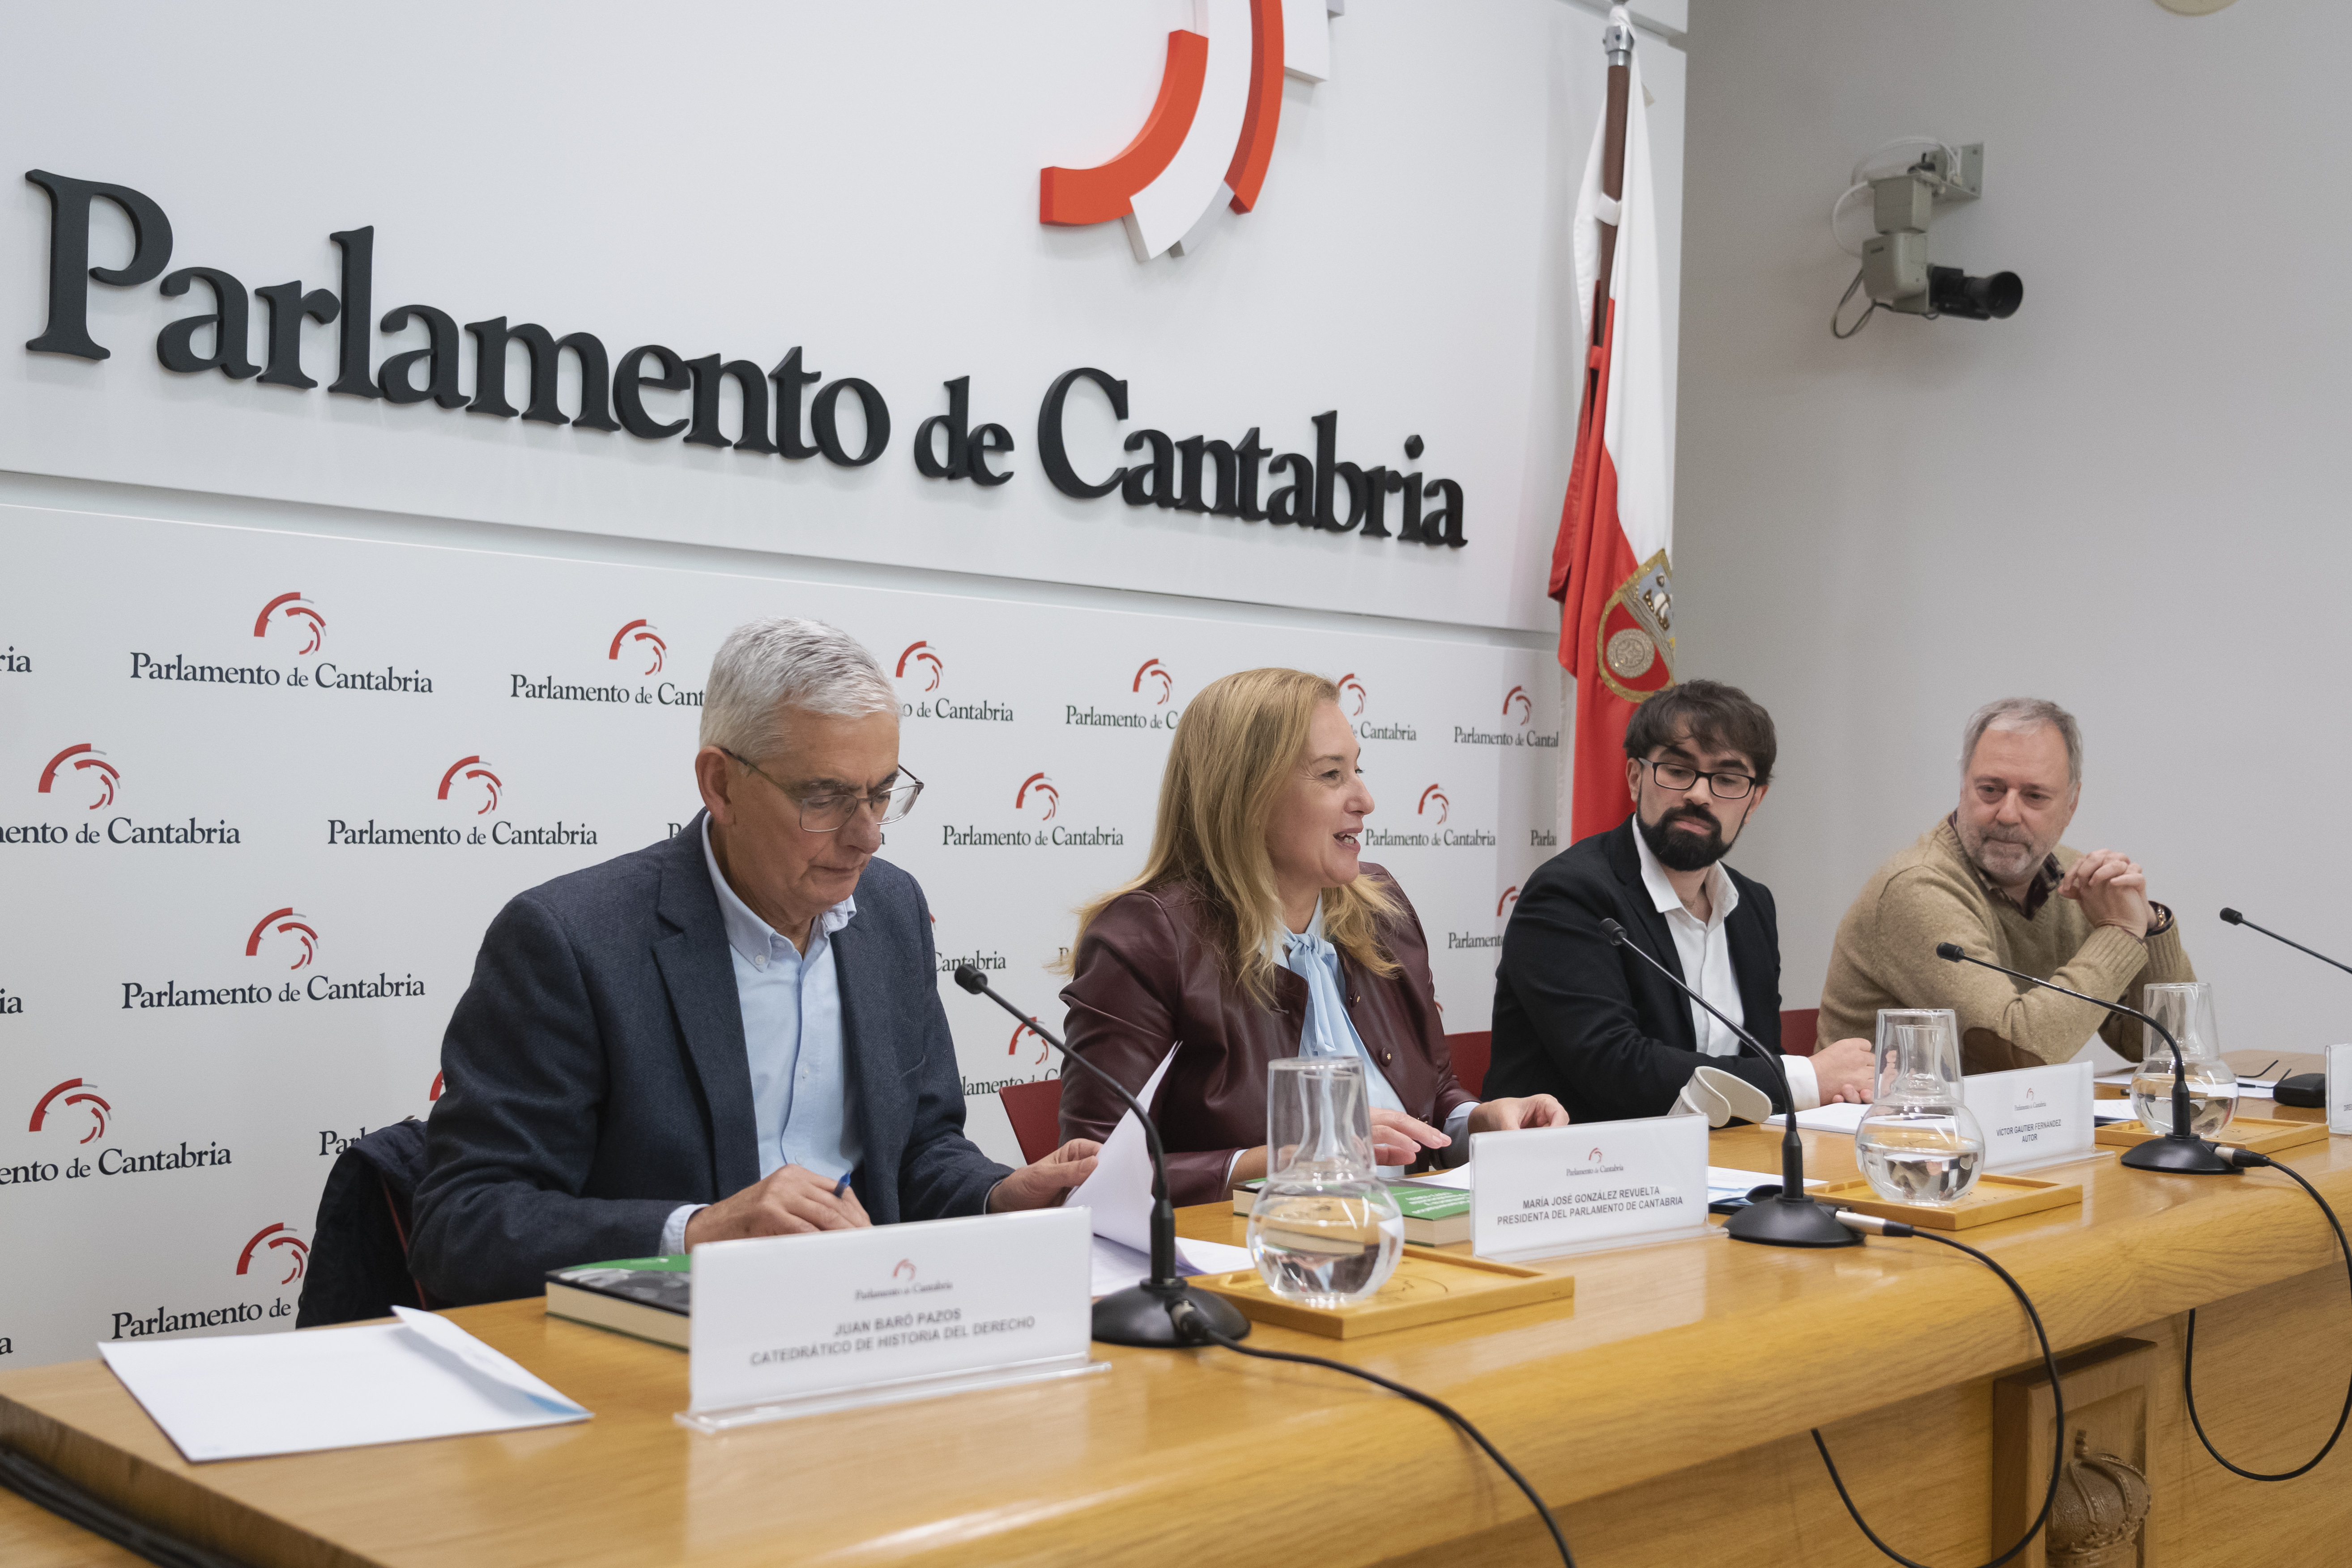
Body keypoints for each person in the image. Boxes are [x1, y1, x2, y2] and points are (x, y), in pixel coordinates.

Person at [409, 618, 1099, 1305]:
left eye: (883, 792)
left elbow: (920, 1149)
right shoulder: (570, 941)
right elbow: (461, 1225)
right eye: (825, 799)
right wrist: (697, 1233)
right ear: (722, 785)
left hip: (870, 1325)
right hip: (664, 1357)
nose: (868, 836)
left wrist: (995, 1194)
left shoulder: (891, 912)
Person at [1056, 668, 1568, 1208]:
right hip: (1246, 1263)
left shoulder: (1380, 905)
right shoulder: (1147, 936)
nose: (1365, 799)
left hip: (1407, 1241)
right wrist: (1290, 1157)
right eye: (1331, 775)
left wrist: (1479, 1122)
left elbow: (1432, 1095)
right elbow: (1093, 1176)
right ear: (1247, 793)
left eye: (1358, 770)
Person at [1484, 681, 1876, 1124]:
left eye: (1728, 780)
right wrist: (1806, 1079)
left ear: (1754, 802)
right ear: (1636, 776)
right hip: (1580, 1175)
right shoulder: (1569, 896)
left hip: (1724, 1173)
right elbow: (1618, 1071)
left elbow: (1755, 1058)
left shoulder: (1751, 906)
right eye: (1677, 771)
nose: (1700, 795)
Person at [1819, 697, 2193, 1071]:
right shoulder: (1918, 886)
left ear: (2071, 805)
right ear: (1963, 788)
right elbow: (2016, 1051)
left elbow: (2166, 1048)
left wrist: (2149, 924)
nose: (2009, 814)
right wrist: (2121, 934)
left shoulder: (2077, 881)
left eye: (2034, 796)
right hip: (1885, 1123)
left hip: (2008, 1122)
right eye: (1991, 790)